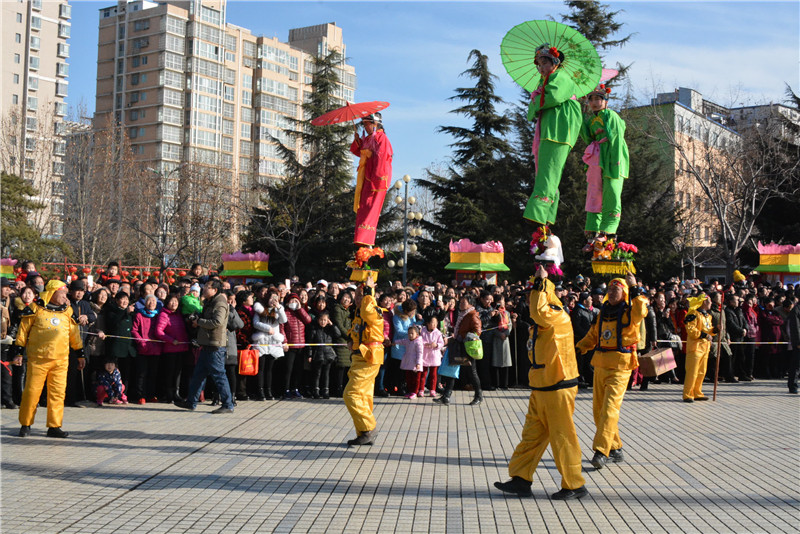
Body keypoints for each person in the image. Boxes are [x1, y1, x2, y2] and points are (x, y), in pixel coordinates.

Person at [495, 265, 587, 500]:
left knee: (562, 437)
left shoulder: (557, 315)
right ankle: (521, 479)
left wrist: (542, 282)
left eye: (531, 293)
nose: (528, 297)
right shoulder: (540, 324)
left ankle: (574, 484)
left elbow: (539, 310)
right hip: (542, 387)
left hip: (558, 386)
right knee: (532, 436)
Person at [576, 273, 648, 469]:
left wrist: (635, 288)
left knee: (609, 410)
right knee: (599, 411)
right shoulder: (602, 313)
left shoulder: (630, 312)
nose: (611, 292)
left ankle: (601, 451)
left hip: (620, 366)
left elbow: (642, 310)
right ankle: (615, 448)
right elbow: (593, 336)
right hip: (600, 364)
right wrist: (579, 347)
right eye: (609, 289)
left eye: (615, 289)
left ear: (624, 292)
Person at [523, 44, 582, 241]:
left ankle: (539, 213)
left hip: (558, 130)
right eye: (539, 64)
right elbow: (533, 110)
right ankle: (545, 216)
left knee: (549, 170)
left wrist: (538, 97)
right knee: (546, 170)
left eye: (545, 62)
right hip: (550, 129)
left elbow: (553, 97)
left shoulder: (561, 77)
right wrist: (538, 96)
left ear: (555, 62)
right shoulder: (545, 82)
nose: (541, 67)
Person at [14, 280, 84, 438]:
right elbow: (23, 331)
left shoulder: (67, 310)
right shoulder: (35, 308)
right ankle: (26, 423)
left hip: (60, 360)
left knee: (57, 394)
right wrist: (18, 352)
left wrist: (80, 354)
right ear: (52, 292)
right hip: (38, 359)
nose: (65, 297)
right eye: (63, 293)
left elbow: (74, 334)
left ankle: (54, 426)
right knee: (32, 392)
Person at [580, 84, 630, 250]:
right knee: (594, 193)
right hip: (598, 158)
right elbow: (587, 138)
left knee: (612, 193)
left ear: (605, 100)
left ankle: (608, 231)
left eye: (598, 98)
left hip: (613, 159)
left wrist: (614, 163)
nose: (594, 102)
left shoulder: (611, 116)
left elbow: (615, 139)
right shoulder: (591, 119)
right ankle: (592, 233)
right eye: (591, 99)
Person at [174, 279, 234, 413]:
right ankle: (191, 402)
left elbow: (217, 322)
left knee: (219, 376)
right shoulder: (208, 301)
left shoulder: (220, 303)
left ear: (215, 290)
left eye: (208, 286)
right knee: (198, 375)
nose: (204, 288)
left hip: (215, 345)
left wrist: (199, 321)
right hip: (206, 343)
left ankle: (228, 404)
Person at [343, 275, 384, 446]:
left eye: (362, 295)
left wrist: (369, 291)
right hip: (360, 355)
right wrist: (351, 340)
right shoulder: (359, 313)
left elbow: (368, 311)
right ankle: (363, 433)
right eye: (357, 296)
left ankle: (368, 428)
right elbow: (355, 331)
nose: (358, 299)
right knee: (363, 395)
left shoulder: (373, 310)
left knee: (350, 394)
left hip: (369, 356)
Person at [350, 112, 393, 247]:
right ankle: (360, 239)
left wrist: (377, 180)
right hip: (366, 177)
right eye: (364, 124)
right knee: (363, 207)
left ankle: (366, 240)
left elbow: (382, 160)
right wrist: (358, 141)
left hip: (375, 179)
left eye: (367, 124)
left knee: (370, 208)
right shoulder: (369, 138)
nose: (365, 127)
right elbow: (360, 152)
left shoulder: (382, 139)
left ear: (375, 123)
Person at [434, 294, 483, 406]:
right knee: (452, 369)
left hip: (467, 347)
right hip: (459, 345)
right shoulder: (463, 314)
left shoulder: (472, 315)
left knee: (472, 372)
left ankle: (479, 396)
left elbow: (477, 332)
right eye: (460, 302)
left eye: (463, 302)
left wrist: (465, 336)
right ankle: (446, 396)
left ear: (470, 304)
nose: (460, 304)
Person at [251, 293, 287, 400]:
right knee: (261, 368)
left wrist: (279, 308)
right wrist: (267, 328)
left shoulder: (278, 310)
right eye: (271, 298)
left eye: (275, 298)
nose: (273, 300)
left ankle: (269, 390)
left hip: (273, 343)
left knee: (269, 369)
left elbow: (284, 320)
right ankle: (260, 391)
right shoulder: (261, 310)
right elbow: (255, 323)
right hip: (261, 341)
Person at [683, 294, 716, 402]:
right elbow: (691, 330)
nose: (711, 303)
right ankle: (688, 394)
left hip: (705, 347)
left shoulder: (707, 316)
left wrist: (715, 330)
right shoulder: (694, 314)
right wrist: (704, 335)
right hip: (695, 347)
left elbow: (708, 329)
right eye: (709, 301)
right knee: (692, 372)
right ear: (704, 302)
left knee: (702, 371)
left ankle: (697, 392)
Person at [306, 310, 341, 399]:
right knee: (317, 373)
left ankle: (325, 391)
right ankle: (316, 391)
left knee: (326, 374)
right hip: (318, 354)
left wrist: (332, 325)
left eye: (325, 320)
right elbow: (310, 343)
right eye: (321, 320)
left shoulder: (329, 329)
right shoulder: (314, 329)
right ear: (318, 320)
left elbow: (338, 334)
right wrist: (309, 355)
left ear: (328, 320)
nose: (323, 322)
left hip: (328, 354)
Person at [396, 325, 424, 399]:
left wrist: (418, 363)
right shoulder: (408, 341)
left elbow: (420, 353)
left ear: (417, 334)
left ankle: (415, 392)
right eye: (409, 333)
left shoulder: (418, 342)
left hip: (415, 364)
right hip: (408, 364)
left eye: (412, 333)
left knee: (416, 379)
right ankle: (410, 391)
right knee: (409, 379)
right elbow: (402, 341)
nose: (410, 335)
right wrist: (394, 342)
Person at [420, 315, 444, 398]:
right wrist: (424, 343)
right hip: (425, 356)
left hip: (434, 356)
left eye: (435, 323)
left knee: (433, 375)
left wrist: (436, 345)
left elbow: (441, 343)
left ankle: (432, 390)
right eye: (431, 323)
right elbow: (419, 340)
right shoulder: (422, 331)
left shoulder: (438, 333)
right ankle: (421, 389)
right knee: (423, 374)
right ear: (427, 323)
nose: (433, 325)